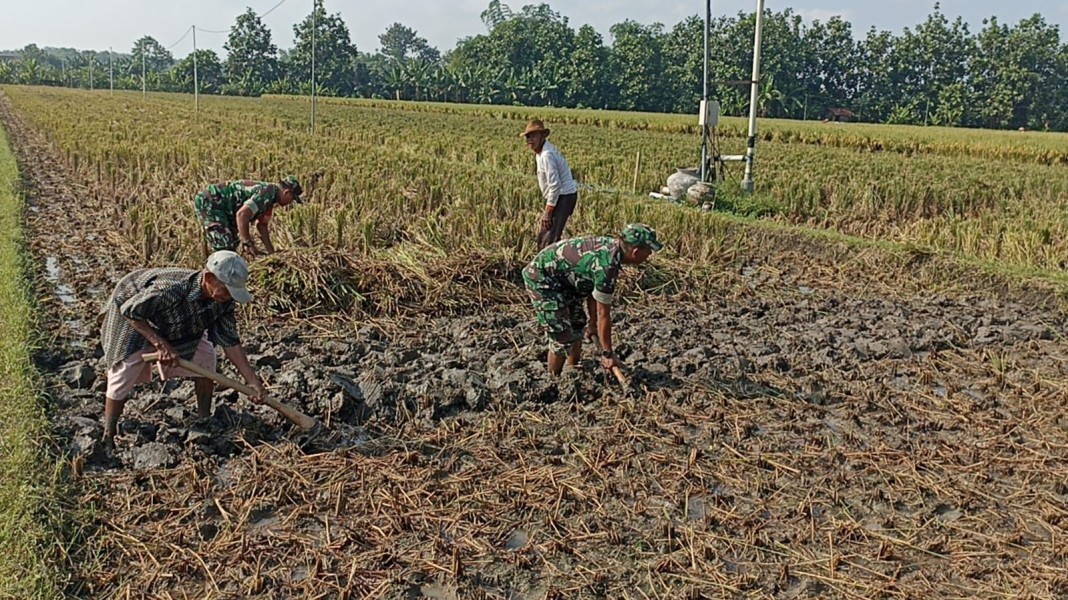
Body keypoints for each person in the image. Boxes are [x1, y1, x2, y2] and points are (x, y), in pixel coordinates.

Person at [99, 250, 266, 446]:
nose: (229, 296)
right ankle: (108, 435)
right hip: (133, 314)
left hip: (175, 321)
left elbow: (230, 341)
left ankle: (204, 419)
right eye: (227, 290)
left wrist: (252, 381)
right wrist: (160, 344)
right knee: (124, 369)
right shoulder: (171, 288)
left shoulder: (223, 301)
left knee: (206, 357)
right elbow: (130, 311)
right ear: (209, 278)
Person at [522, 223, 664, 377]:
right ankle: (553, 381)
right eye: (648, 251)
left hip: (565, 281)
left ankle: (573, 371)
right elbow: (604, 314)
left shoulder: (612, 250)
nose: (649, 255)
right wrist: (607, 353)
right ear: (636, 252)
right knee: (561, 337)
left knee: (577, 324)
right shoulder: (607, 267)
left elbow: (593, 293)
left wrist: (592, 325)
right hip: (542, 279)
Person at [194, 176, 303, 257]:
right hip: (212, 202)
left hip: (226, 211)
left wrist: (272, 254)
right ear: (286, 192)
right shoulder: (267, 193)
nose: (290, 203)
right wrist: (247, 242)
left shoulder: (270, 201)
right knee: (225, 249)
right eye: (292, 199)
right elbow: (242, 215)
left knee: (232, 246)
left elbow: (262, 226)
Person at [520, 119, 578, 249]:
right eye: (528, 137)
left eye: (533, 136)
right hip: (559, 196)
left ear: (542, 136)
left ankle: (548, 266)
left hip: (563, 196)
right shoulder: (540, 153)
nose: (530, 140)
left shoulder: (547, 155)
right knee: (546, 235)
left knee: (548, 238)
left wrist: (548, 211)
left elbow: (555, 185)